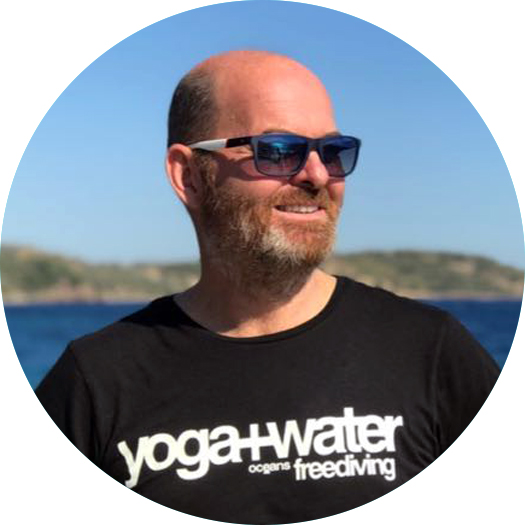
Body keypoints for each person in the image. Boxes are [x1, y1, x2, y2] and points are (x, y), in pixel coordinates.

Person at [36, 50, 499, 524]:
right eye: (278, 151)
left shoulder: (431, 352)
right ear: (189, 176)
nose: (318, 175)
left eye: (333, 152)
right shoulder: (95, 384)